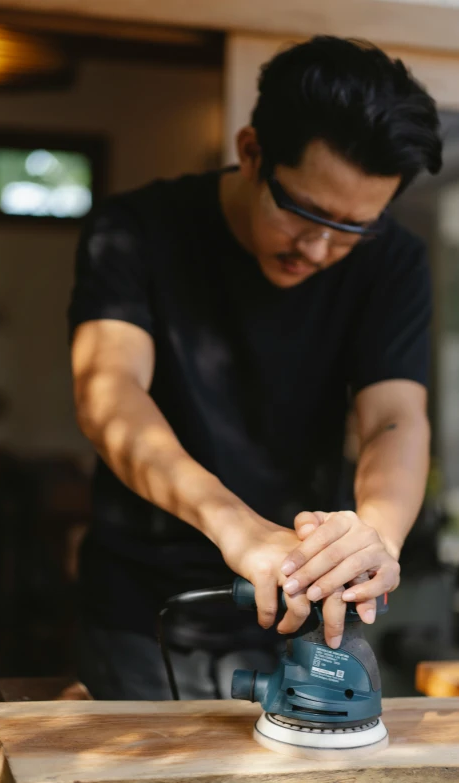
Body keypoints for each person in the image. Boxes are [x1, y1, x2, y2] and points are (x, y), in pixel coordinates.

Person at [68, 36, 442, 700]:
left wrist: (376, 536)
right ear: (251, 153)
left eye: (354, 226)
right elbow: (110, 394)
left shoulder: (394, 262)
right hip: (142, 601)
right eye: (305, 213)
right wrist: (237, 527)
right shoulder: (136, 229)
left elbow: (393, 415)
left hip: (295, 599)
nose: (321, 248)